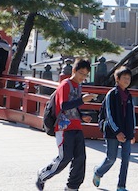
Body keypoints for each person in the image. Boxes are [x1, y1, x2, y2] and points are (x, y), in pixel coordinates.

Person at [36, 58, 96, 191]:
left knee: (80, 158)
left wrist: (82, 116)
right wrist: (82, 100)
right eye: (81, 73)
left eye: (86, 75)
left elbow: (74, 107)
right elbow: (63, 105)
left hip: (76, 126)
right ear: (74, 70)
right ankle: (43, 174)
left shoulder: (78, 87)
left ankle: (72, 187)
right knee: (65, 157)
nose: (83, 77)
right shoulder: (65, 84)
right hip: (63, 127)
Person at [92, 67, 135, 190]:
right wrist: (117, 131)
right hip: (112, 131)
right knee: (111, 158)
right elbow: (109, 115)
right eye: (124, 78)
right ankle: (98, 172)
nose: (127, 80)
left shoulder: (129, 95)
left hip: (127, 131)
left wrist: (132, 132)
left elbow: (132, 114)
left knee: (126, 159)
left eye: (129, 78)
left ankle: (121, 186)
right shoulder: (111, 94)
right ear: (117, 79)